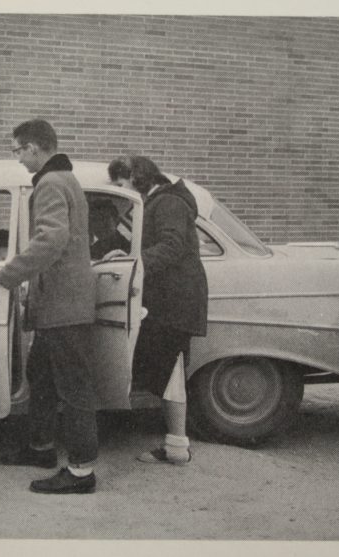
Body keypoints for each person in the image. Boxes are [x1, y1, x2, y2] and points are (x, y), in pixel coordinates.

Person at [0, 119, 99, 494]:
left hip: (63, 304)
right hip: (62, 302)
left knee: (74, 389)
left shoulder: (50, 183)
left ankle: (82, 473)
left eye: (18, 150)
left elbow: (51, 239)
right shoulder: (66, 179)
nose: (18, 159)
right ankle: (41, 448)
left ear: (34, 147)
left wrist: (7, 275)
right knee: (42, 377)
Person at [107, 155, 208, 466]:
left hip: (174, 301)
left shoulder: (167, 204)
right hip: (170, 299)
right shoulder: (161, 201)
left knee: (171, 372)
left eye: (122, 184)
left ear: (137, 178)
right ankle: (176, 445)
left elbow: (172, 245)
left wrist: (133, 264)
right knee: (168, 372)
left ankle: (178, 447)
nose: (123, 191)